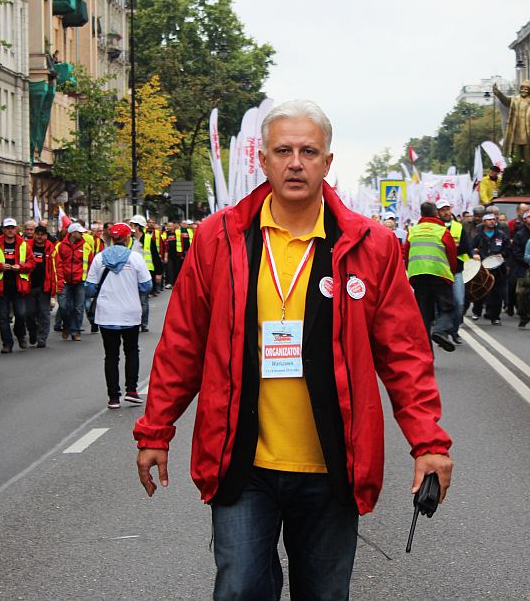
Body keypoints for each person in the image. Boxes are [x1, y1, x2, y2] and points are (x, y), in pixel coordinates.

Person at [133, 99, 453, 600]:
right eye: (283, 150)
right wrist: (155, 429)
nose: (296, 162)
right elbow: (182, 343)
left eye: (309, 151)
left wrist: (429, 442)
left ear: (328, 162)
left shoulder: (371, 245)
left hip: (333, 465)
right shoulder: (220, 239)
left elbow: (405, 355)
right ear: (263, 159)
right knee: (239, 590)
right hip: (243, 463)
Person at [86, 223, 152, 409]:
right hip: (130, 312)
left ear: (111, 237)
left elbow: (90, 288)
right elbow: (147, 286)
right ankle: (131, 390)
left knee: (111, 355)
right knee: (131, 350)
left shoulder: (99, 259)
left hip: (106, 314)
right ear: (127, 238)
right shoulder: (135, 258)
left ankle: (113, 397)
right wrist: (132, 286)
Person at [405, 201, 458, 353]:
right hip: (439, 275)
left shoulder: (413, 231)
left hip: (418, 277)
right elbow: (452, 256)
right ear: (436, 213)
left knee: (424, 315)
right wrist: (451, 275)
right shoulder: (442, 231)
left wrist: (412, 274)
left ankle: (426, 354)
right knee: (447, 309)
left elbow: (407, 255)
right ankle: (440, 331)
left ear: (421, 214)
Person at [0, 218, 33, 353]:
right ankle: (7, 344)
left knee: (21, 314)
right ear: (3, 229)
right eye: (7, 228)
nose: (10, 230)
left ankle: (20, 335)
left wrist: (20, 267)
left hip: (18, 285)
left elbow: (32, 263)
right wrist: (0, 266)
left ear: (16, 229)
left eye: (12, 228)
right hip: (1, 286)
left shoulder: (23, 244)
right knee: (3, 317)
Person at [437, 200, 471, 345]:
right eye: (442, 210)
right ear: (438, 212)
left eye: (447, 209)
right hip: (440, 271)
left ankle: (454, 330)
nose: (446, 212)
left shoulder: (458, 227)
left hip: (456, 271)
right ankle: (441, 332)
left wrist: (450, 249)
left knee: (459, 303)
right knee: (441, 304)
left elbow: (466, 247)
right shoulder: (435, 227)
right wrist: (452, 247)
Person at [493, 81, 530, 163]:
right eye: (522, 89)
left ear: (529, 90)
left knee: (529, 162)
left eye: (526, 89)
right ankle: (516, 174)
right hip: (516, 136)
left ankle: (529, 173)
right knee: (515, 161)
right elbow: (505, 101)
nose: (524, 91)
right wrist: (498, 93)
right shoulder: (514, 101)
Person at [54, 222, 93, 341]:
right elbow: (56, 264)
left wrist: (88, 280)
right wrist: (59, 281)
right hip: (65, 282)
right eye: (80, 232)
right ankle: (66, 326)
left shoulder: (86, 247)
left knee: (78, 308)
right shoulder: (60, 246)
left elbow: (90, 264)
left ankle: (75, 331)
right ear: (73, 233)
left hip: (80, 282)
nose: (82, 234)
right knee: (64, 307)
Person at [471, 212, 509, 325]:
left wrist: (503, 255)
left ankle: (495, 317)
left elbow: (508, 249)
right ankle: (477, 311)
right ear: (484, 222)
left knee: (497, 294)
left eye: (493, 219)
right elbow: (472, 248)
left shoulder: (501, 235)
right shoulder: (479, 236)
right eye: (489, 220)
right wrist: (475, 254)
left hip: (498, 269)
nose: (492, 221)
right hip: (483, 268)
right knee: (480, 291)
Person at [23, 225, 56, 348]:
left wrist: (55, 286)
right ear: (34, 235)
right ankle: (32, 332)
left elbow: (55, 268)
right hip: (29, 285)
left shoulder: (51, 249)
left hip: (44, 286)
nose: (39, 237)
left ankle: (42, 338)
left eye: (42, 234)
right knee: (29, 313)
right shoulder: (27, 246)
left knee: (44, 313)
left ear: (46, 236)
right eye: (38, 234)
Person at [508, 208, 530, 329]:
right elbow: (516, 252)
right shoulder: (519, 234)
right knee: (522, 292)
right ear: (525, 219)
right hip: (522, 267)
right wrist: (527, 260)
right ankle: (523, 314)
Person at [127, 215, 152, 331]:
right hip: (131, 273)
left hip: (145, 273)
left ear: (138, 227)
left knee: (143, 300)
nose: (131, 227)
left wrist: (158, 273)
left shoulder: (148, 238)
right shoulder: (130, 240)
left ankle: (144, 323)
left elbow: (155, 256)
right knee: (133, 299)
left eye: (132, 225)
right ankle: (135, 321)